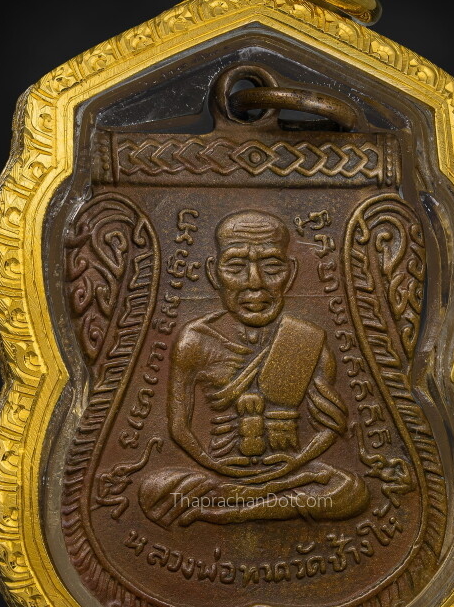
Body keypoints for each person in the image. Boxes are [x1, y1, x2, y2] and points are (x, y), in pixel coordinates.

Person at [138, 210, 368, 526]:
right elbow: (179, 427)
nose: (255, 283)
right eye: (235, 267)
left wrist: (291, 467)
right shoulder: (196, 340)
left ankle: (225, 511)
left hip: (289, 471)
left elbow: (330, 426)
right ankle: (255, 501)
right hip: (219, 473)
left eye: (271, 266)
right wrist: (218, 467)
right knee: (155, 489)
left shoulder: (305, 338)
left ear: (291, 272)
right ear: (213, 273)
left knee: (351, 491)